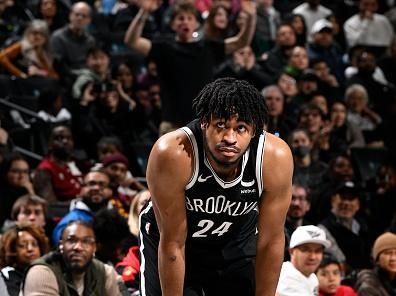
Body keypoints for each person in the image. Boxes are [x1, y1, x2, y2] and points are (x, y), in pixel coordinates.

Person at [140, 78, 293, 295]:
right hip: (171, 242)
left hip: (234, 241)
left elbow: (270, 241)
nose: (230, 138)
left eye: (241, 128)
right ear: (204, 122)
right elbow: (173, 243)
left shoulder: (274, 157)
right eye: (221, 125)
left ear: (254, 130)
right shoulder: (174, 153)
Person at [124, 0, 257, 135]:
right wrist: (144, 12)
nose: (185, 22)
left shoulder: (207, 48)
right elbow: (131, 41)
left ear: (197, 23)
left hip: (204, 123)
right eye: (180, 18)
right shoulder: (163, 47)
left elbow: (241, 41)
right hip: (172, 125)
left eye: (189, 18)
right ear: (172, 24)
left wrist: (251, 17)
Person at [21, 220, 128, 296]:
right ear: (61, 245)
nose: (78, 247)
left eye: (86, 241)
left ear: (94, 248)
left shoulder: (105, 273)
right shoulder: (41, 272)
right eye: (71, 240)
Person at [51, 170, 113, 244]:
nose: (96, 188)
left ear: (110, 191)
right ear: (81, 189)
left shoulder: (118, 217)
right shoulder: (69, 221)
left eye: (102, 184)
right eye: (91, 184)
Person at [276, 225, 331, 296]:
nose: (312, 257)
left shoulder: (311, 276)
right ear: (291, 251)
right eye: (306, 250)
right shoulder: (286, 280)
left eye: (317, 251)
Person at [0, 224, 49, 296]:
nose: (30, 249)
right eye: (22, 245)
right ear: (12, 250)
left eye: (34, 244)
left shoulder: (48, 272)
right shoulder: (7, 275)